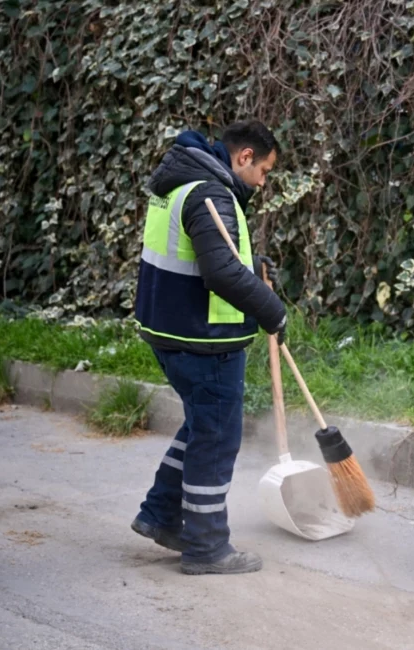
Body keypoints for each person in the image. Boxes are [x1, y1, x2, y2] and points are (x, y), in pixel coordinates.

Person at [130, 120, 287, 575]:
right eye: (264, 171)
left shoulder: (182, 184)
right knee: (216, 438)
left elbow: (205, 252)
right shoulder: (210, 193)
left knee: (203, 425)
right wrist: (272, 311)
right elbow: (219, 273)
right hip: (203, 340)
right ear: (244, 157)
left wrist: (250, 263)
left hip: (170, 329)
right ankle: (206, 547)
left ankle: (160, 515)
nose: (263, 182)